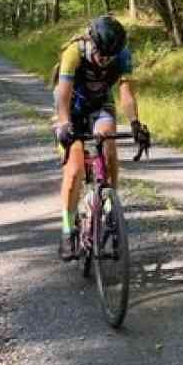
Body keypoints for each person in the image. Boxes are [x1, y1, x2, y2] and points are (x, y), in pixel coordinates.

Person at [54, 15, 151, 260]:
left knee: (108, 139)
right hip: (72, 109)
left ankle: (110, 206)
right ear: (92, 44)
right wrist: (64, 124)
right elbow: (62, 95)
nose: (106, 60)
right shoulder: (74, 53)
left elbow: (126, 94)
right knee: (74, 169)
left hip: (100, 105)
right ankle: (67, 229)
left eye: (111, 56)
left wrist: (135, 124)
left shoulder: (123, 55)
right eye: (102, 55)